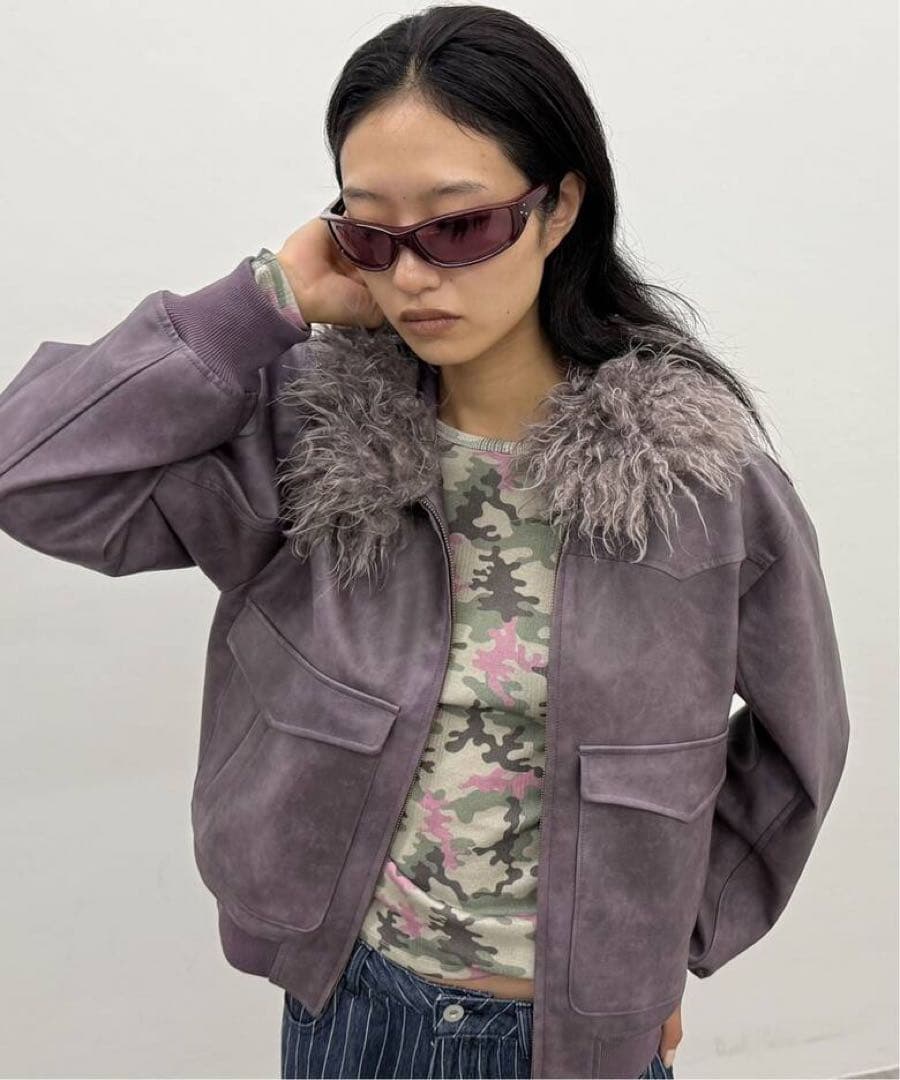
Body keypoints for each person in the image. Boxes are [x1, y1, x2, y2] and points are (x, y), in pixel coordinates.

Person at [0, 4, 850, 1079]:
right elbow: (28, 472)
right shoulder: (307, 444)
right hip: (350, 1008)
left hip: (573, 1041)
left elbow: (801, 744)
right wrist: (263, 302)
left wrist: (659, 953)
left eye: (457, 228)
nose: (409, 277)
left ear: (559, 206)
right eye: (370, 234)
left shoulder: (698, 484)